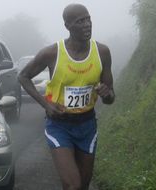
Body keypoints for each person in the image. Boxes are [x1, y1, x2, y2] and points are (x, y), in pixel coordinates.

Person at [18, 3, 115, 190]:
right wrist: (46, 105)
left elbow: (110, 98)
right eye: (80, 21)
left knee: (83, 185)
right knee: (73, 185)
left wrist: (106, 93)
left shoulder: (102, 52)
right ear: (67, 26)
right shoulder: (52, 53)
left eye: (88, 19)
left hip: (87, 126)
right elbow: (23, 76)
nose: (87, 25)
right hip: (59, 126)